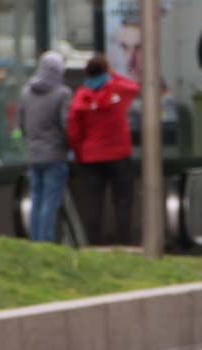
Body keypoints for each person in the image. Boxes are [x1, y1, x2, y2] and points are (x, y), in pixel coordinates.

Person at [67, 54, 140, 245]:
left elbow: (74, 131)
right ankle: (124, 242)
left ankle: (93, 243)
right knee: (122, 202)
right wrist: (113, 74)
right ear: (105, 71)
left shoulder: (81, 96)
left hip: (90, 159)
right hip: (119, 156)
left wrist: (79, 153)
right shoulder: (118, 89)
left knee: (93, 204)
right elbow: (134, 87)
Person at [19, 51, 72, 243]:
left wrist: (31, 143)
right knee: (50, 202)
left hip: (34, 156)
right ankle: (46, 241)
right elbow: (66, 125)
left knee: (36, 200)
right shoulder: (62, 93)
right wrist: (70, 147)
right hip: (55, 155)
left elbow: (22, 124)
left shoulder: (26, 92)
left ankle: (35, 240)